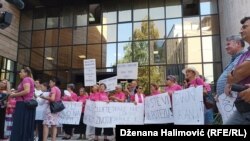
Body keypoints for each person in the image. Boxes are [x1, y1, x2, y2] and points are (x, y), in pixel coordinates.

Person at [224, 17, 250, 124]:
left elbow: (238, 73)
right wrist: (233, 76)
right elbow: (232, 77)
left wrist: (234, 75)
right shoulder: (245, 54)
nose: (240, 31)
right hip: (242, 109)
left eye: (244, 27)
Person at [9, 67, 36, 141]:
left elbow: (27, 91)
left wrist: (14, 95)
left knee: (19, 123)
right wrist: (16, 92)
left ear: (26, 73)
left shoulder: (26, 79)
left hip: (22, 104)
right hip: (27, 104)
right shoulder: (30, 80)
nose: (19, 73)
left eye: (21, 72)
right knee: (25, 124)